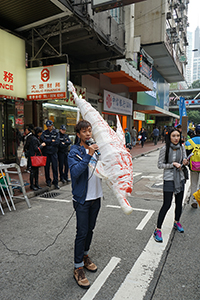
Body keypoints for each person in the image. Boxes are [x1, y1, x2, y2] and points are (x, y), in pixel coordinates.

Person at [68, 120, 103, 289]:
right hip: (82, 199)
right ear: (78, 134)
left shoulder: (97, 148)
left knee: (90, 229)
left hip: (96, 197)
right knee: (81, 232)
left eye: (89, 131)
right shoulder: (75, 151)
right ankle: (78, 268)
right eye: (84, 131)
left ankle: (85, 255)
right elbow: (75, 172)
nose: (88, 134)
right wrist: (88, 154)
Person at [154, 128, 188, 242]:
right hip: (169, 179)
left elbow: (183, 160)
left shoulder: (182, 147)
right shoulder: (165, 148)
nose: (176, 138)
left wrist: (184, 162)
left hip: (180, 178)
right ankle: (157, 229)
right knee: (167, 204)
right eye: (173, 136)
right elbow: (160, 165)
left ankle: (176, 222)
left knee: (179, 203)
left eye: (178, 136)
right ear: (169, 137)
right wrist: (172, 164)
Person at [40, 120, 60, 189]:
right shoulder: (44, 132)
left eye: (50, 126)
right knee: (46, 168)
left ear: (52, 125)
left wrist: (47, 142)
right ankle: (48, 181)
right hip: (46, 153)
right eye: (47, 126)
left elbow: (57, 142)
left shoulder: (56, 132)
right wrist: (51, 141)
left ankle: (55, 182)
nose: (49, 127)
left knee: (55, 167)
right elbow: (42, 139)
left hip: (53, 152)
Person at [185, 124, 200, 208]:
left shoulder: (189, 142)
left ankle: (194, 201)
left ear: (195, 131)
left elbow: (186, 155)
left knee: (193, 184)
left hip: (193, 166)